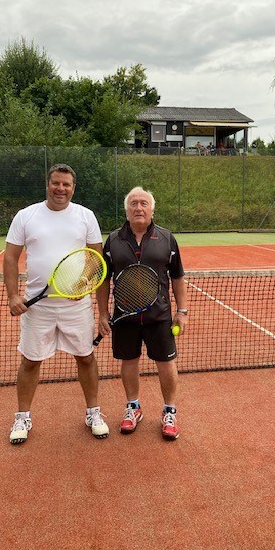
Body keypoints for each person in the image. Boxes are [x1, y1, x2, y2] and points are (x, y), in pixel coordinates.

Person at [4, 163, 109, 444]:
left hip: (77, 305)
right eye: (56, 183)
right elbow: (10, 257)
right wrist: (13, 295)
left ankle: (93, 413)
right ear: (47, 184)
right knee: (30, 361)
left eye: (66, 184)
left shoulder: (86, 216)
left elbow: (96, 260)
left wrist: (84, 284)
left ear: (73, 188)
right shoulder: (26, 216)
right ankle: (22, 416)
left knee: (86, 357)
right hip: (37, 307)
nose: (60, 189)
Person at [96, 187, 188, 440]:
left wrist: (182, 311)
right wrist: (102, 313)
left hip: (159, 316)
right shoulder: (113, 240)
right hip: (124, 316)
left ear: (152, 210)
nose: (139, 208)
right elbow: (103, 280)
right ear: (126, 210)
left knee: (166, 364)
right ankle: (133, 407)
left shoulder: (167, 238)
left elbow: (178, 277)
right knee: (129, 362)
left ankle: (169, 411)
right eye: (134, 203)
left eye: (144, 203)